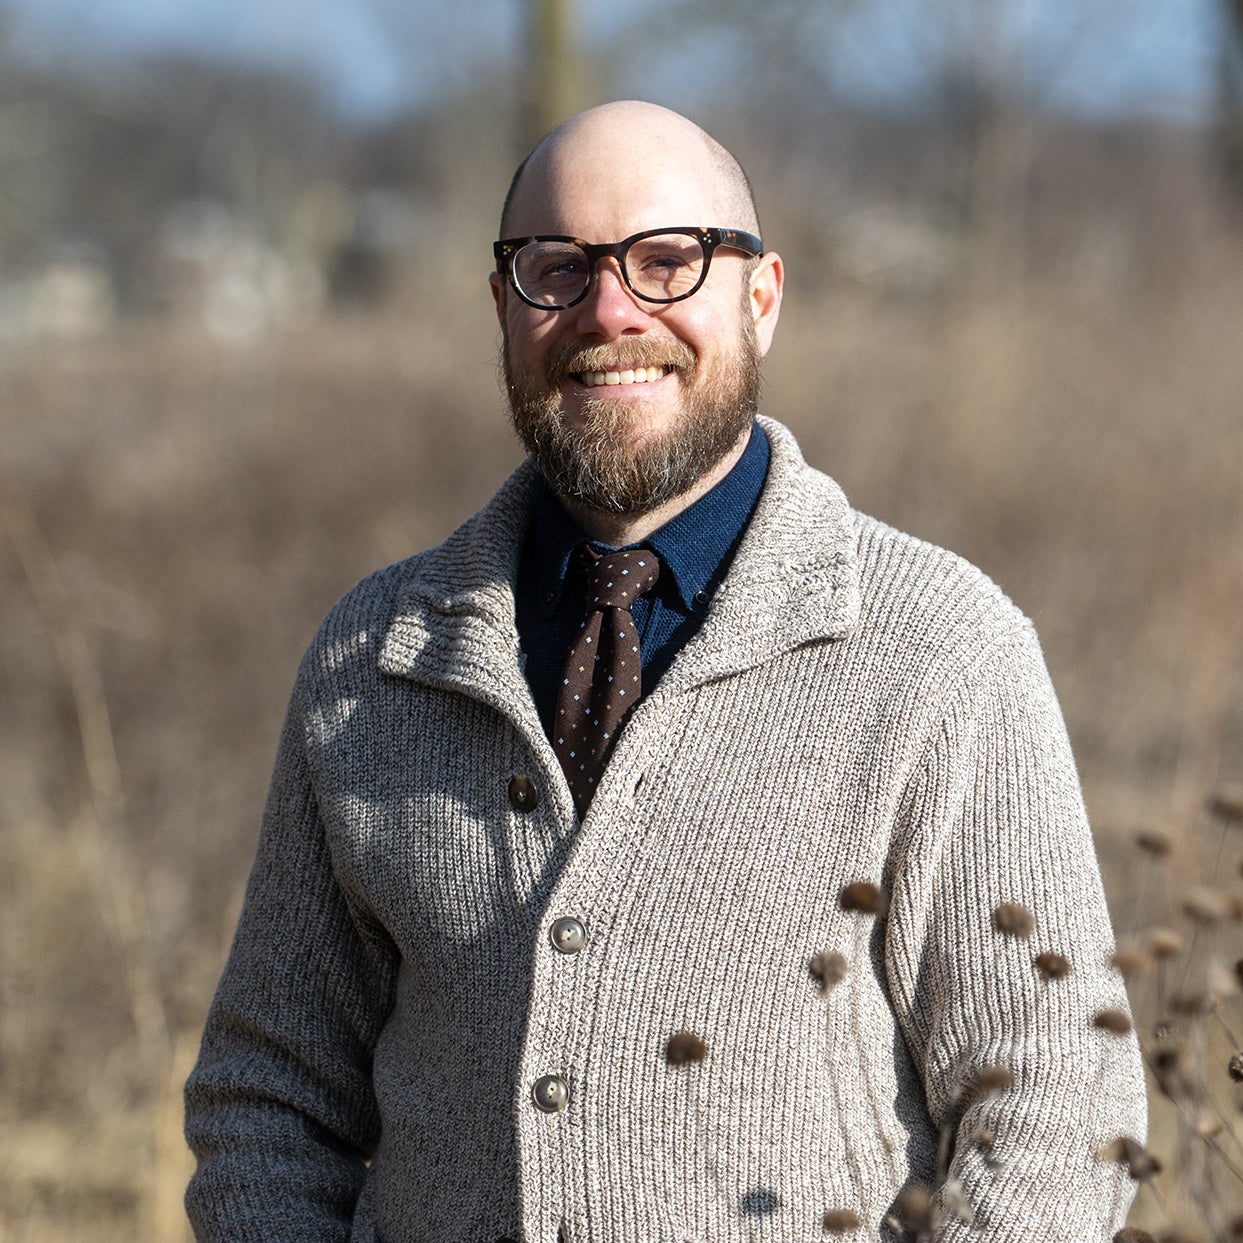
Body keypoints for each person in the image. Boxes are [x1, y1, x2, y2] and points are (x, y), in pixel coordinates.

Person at [184, 100, 1146, 1243]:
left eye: (665, 261)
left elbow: (1056, 1098)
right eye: (558, 267)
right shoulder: (375, 657)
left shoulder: (939, 649)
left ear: (760, 295)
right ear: (504, 307)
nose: (608, 310)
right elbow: (269, 1095)